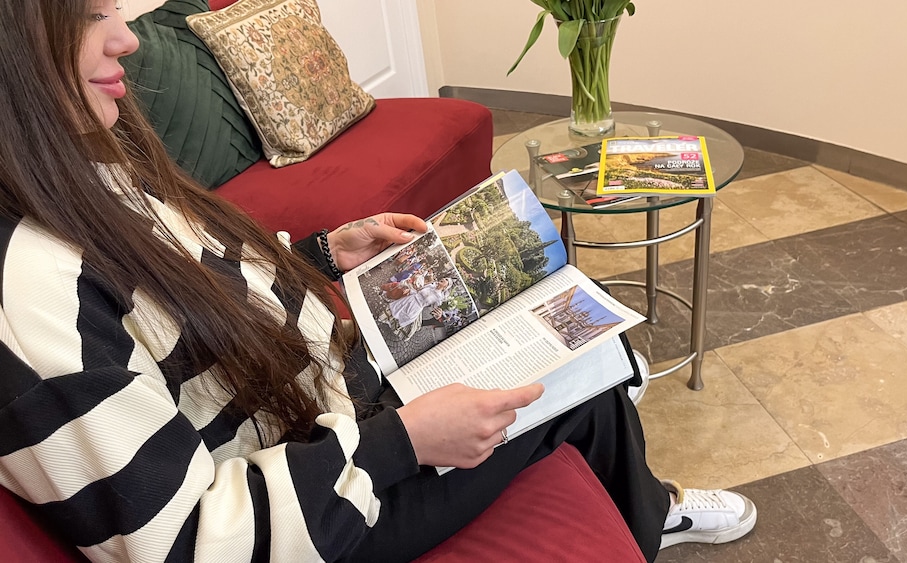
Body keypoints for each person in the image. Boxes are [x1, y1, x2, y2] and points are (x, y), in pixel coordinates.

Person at [0, 2, 757, 562]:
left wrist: (322, 253)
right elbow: (183, 541)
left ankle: (641, 498)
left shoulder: (77, 163)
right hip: (320, 512)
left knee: (567, 345)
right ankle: (649, 513)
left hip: (322, 406)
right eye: (90, 16)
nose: (127, 39)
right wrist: (405, 441)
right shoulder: (28, 290)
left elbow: (188, 283)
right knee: (580, 388)